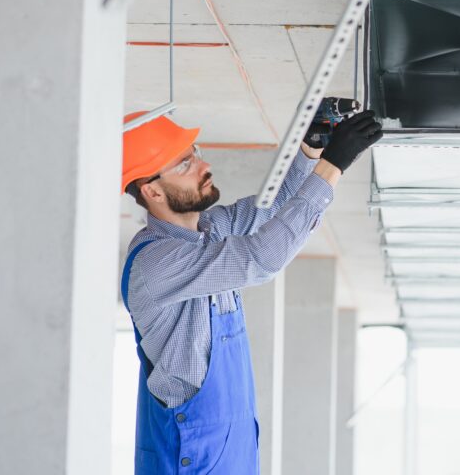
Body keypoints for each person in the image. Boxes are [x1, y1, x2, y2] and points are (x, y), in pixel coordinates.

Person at [119, 106, 382, 474]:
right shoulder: (157, 264)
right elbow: (261, 258)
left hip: (228, 454)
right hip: (190, 461)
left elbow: (273, 212)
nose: (202, 165)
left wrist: (312, 151)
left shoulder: (209, 229)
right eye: (183, 164)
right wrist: (332, 167)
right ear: (152, 191)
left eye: (194, 153)